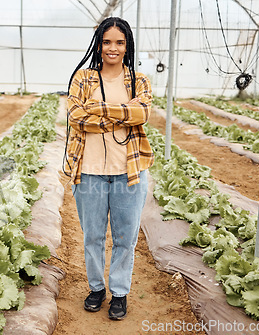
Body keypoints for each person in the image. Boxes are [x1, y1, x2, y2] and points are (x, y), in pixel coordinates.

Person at [62, 17, 154, 320]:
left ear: (127, 46)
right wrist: (121, 114)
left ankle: (119, 293)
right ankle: (97, 288)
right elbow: (76, 115)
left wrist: (98, 109)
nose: (112, 48)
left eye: (119, 42)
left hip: (129, 171)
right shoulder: (82, 78)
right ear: (98, 44)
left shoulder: (138, 80)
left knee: (125, 237)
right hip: (88, 171)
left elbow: (141, 113)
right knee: (93, 236)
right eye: (107, 42)